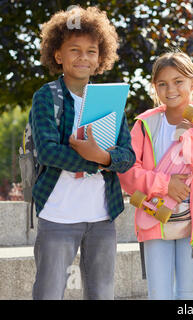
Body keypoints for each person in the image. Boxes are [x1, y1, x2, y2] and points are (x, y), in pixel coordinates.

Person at [30, 6, 136, 300]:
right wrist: (95, 160)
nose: (83, 57)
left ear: (100, 57)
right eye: (74, 50)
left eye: (91, 51)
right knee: (49, 292)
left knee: (102, 293)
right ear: (58, 55)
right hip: (58, 215)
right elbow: (49, 152)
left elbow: (127, 156)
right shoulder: (46, 97)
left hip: (103, 216)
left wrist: (102, 158)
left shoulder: (110, 99)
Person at [118, 51, 193, 300]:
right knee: (159, 295)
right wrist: (166, 185)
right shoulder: (144, 124)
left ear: (192, 83)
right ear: (155, 88)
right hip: (155, 217)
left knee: (187, 295)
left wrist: (190, 139)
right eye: (162, 84)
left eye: (178, 81)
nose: (171, 89)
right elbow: (128, 173)